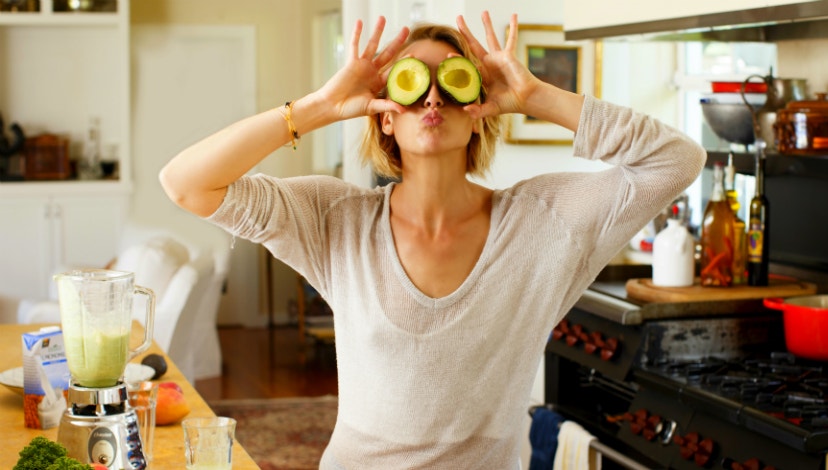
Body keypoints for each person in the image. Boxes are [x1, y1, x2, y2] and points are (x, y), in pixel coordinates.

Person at [160, 11, 706, 469]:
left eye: (453, 79)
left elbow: (678, 161)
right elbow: (185, 183)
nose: (432, 96)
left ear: (478, 116)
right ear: (386, 120)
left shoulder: (543, 222)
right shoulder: (336, 219)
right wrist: (319, 107)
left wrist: (535, 96)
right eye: (411, 80)